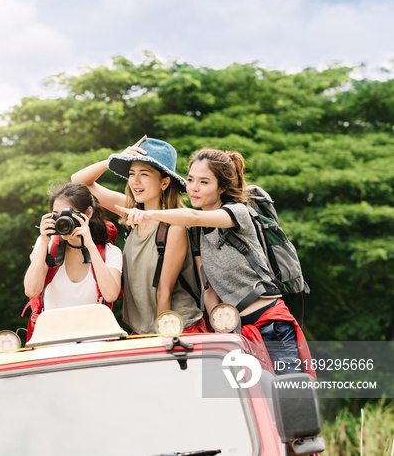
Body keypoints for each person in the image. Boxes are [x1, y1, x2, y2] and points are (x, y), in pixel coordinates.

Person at [116, 148, 314, 376]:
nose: (194, 188)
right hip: (232, 329)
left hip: (268, 322)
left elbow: (193, 215)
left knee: (291, 394)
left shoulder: (238, 213)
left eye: (204, 182)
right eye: (190, 180)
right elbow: (207, 287)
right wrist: (222, 332)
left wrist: (149, 214)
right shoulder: (196, 232)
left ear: (221, 188)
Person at [71, 136, 206, 335]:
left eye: (144, 174)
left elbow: (164, 292)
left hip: (175, 329)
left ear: (164, 182)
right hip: (143, 332)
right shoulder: (130, 212)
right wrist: (113, 159)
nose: (135, 181)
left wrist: (162, 340)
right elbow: (79, 183)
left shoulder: (174, 225)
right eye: (132, 173)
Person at [23, 183, 123, 337]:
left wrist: (90, 244)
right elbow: (31, 290)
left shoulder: (110, 252)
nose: (63, 221)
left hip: (94, 341)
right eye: (57, 214)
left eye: (69, 215)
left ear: (88, 213)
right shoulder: (47, 246)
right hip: (51, 340)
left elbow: (110, 295)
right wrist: (43, 241)